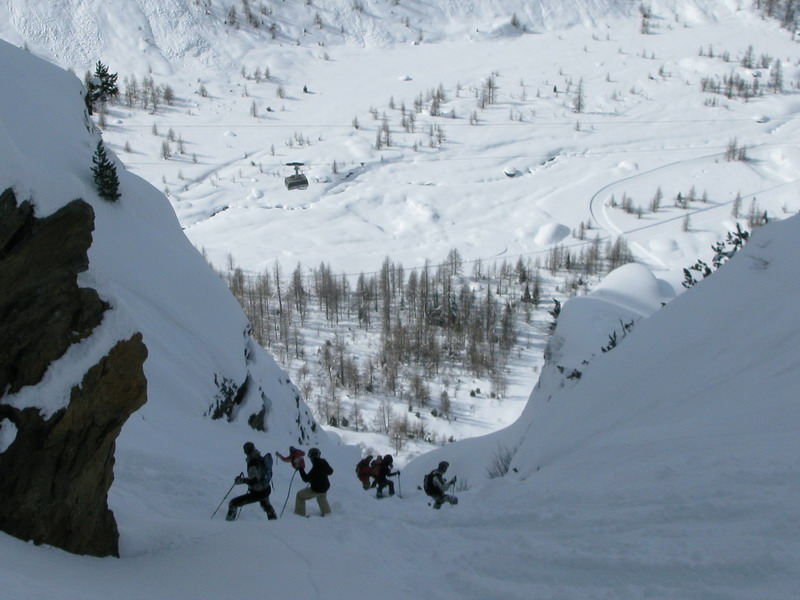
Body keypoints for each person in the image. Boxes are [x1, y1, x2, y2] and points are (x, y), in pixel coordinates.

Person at [226, 442, 277, 521]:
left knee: (233, 504)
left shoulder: (252, 462)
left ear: (246, 451)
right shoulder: (259, 457)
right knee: (266, 505)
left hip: (258, 492)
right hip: (266, 488)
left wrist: (241, 480)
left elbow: (254, 480)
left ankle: (228, 525)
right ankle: (275, 523)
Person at [294, 447, 334, 517]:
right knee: (321, 496)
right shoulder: (323, 462)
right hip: (325, 487)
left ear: (310, 457)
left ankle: (300, 515)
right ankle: (327, 513)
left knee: (300, 495)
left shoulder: (315, 467)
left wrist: (300, 468)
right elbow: (331, 471)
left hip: (316, 489)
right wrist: (322, 474)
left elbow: (305, 479)